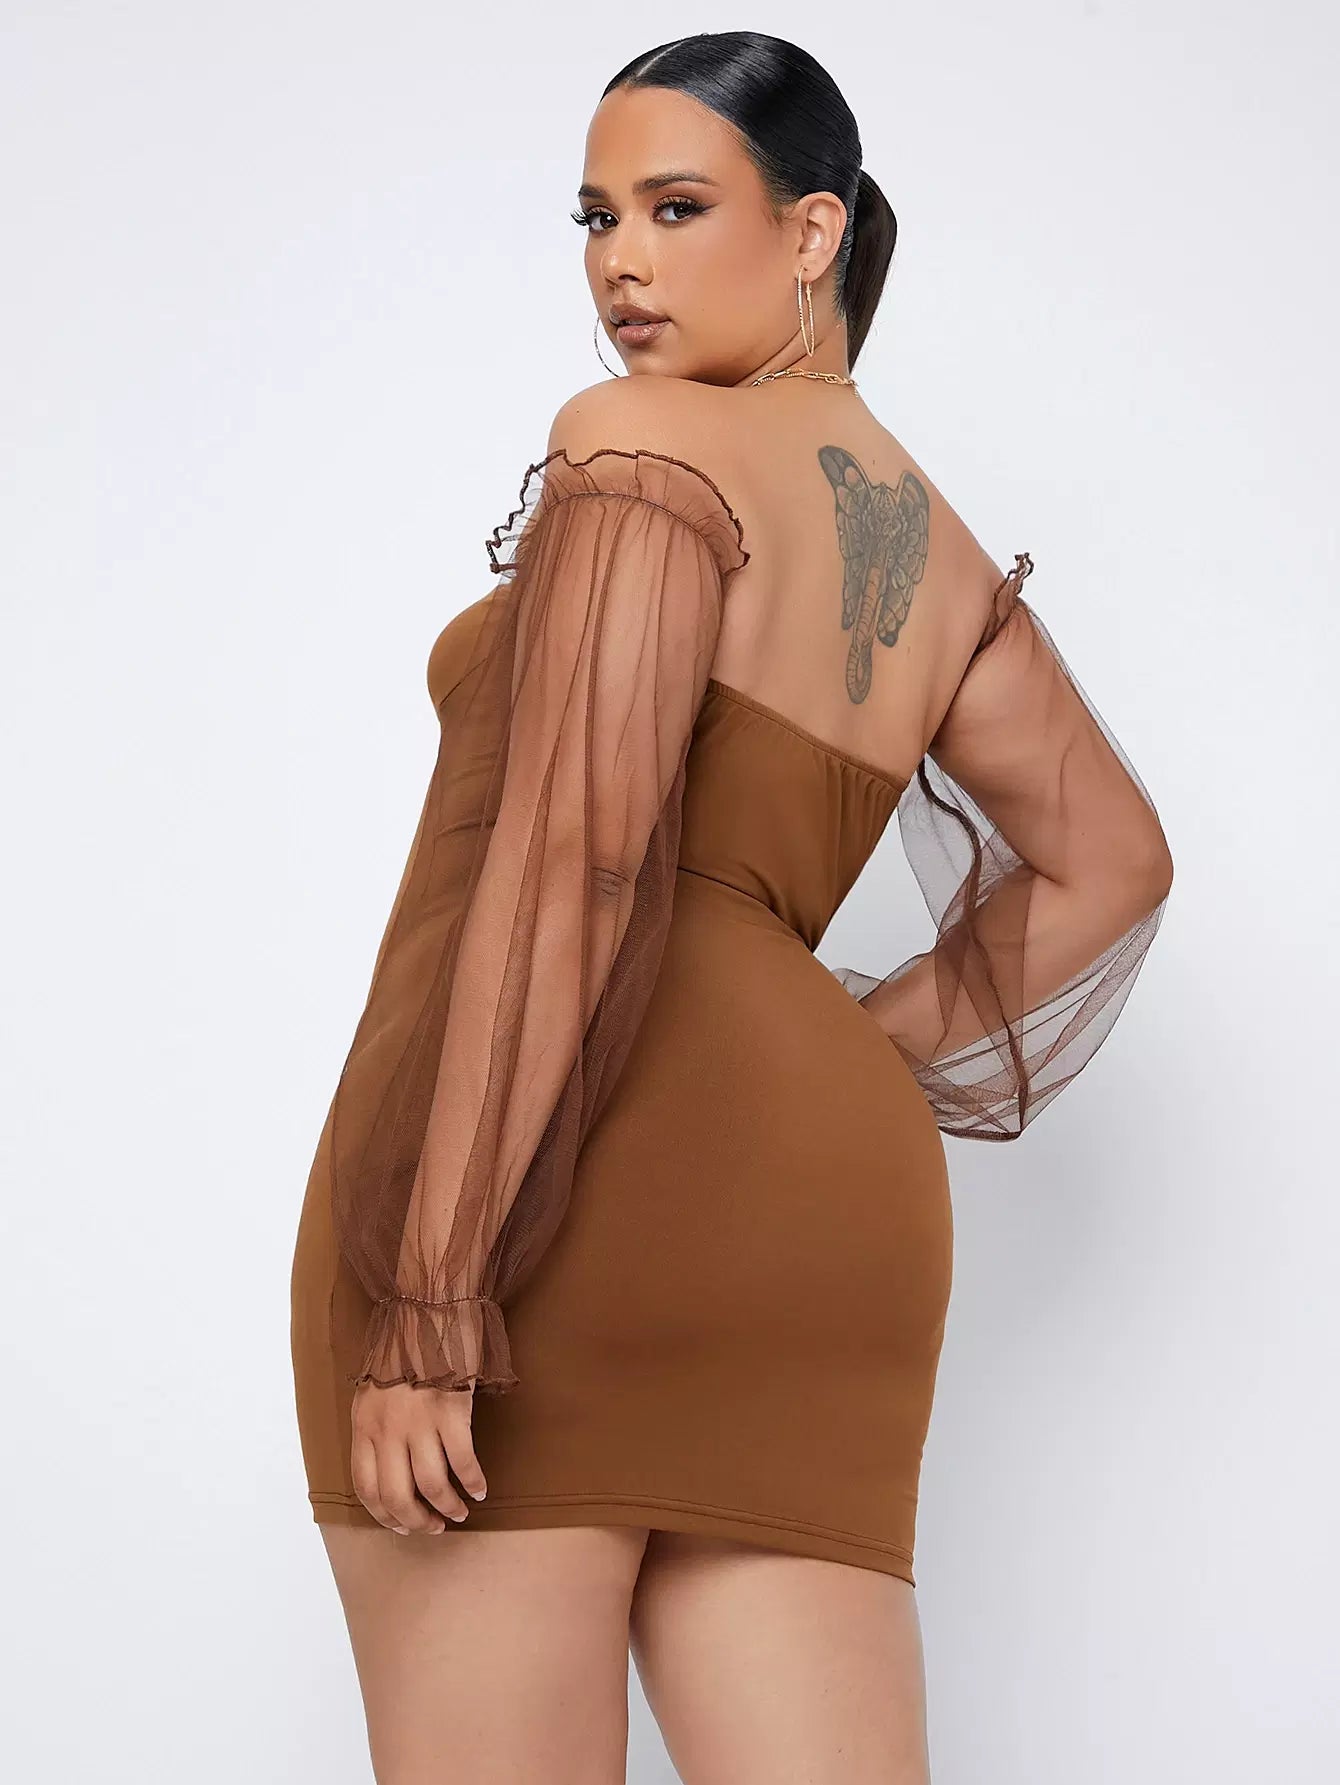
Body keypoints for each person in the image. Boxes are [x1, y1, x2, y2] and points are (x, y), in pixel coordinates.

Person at [289, 30, 1173, 1784]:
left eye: (676, 207)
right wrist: (830, 1046)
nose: (620, 261)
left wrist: (435, 1292)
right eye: (596, 216)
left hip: (551, 1203)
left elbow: (579, 861)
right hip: (821, 1234)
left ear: (813, 229)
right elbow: (1114, 862)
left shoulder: (638, 445)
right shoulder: (932, 549)